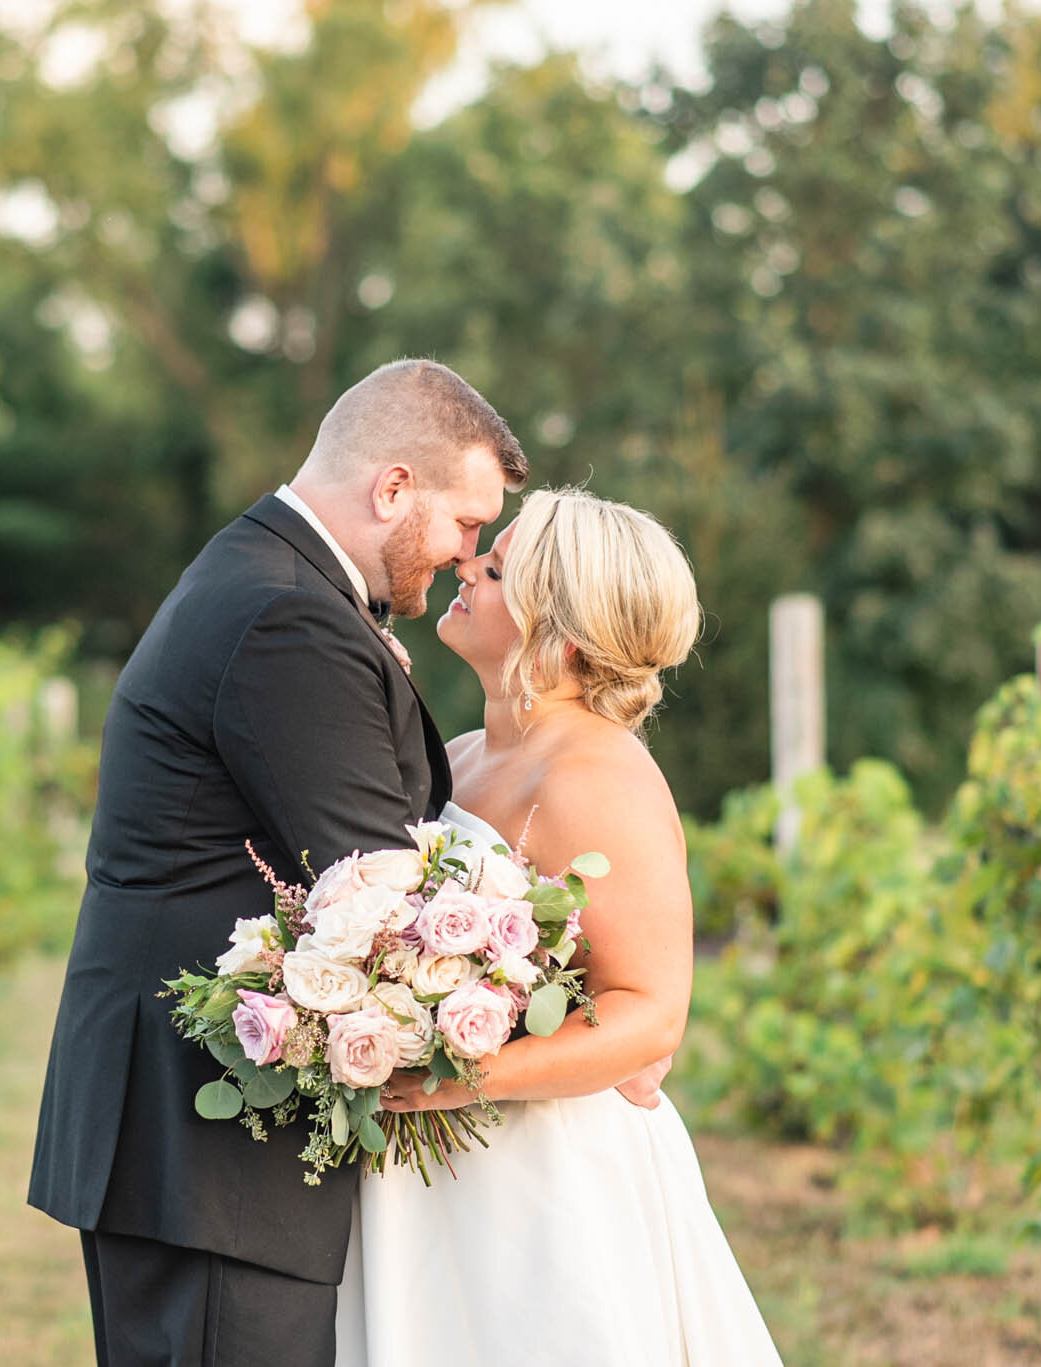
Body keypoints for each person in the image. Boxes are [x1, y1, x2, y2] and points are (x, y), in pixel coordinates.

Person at [27, 358, 526, 1367]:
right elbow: (381, 889)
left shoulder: (271, 576)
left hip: (187, 1142)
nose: (465, 552)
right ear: (391, 487)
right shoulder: (287, 615)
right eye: (465, 525)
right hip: (204, 1149)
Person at [336, 488, 783, 1365]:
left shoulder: (601, 775)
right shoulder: (459, 756)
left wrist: (468, 1076)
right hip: (430, 1168)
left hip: (547, 1175)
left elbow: (651, 1011)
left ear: (559, 636)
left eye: (495, 569)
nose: (466, 565)